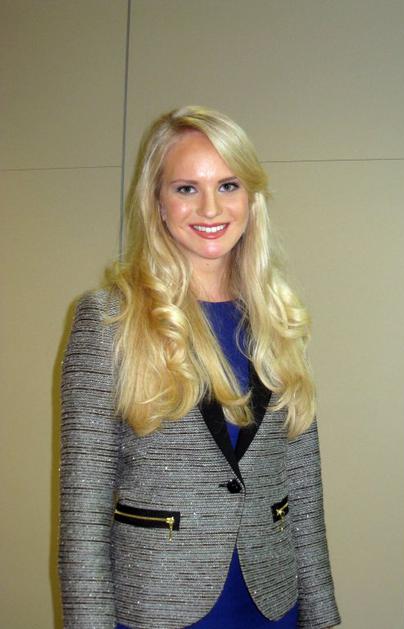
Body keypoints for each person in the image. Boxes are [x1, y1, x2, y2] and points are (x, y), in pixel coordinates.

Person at [59, 105, 341, 629]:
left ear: (251, 198)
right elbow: (83, 508)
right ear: (157, 202)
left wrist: (320, 614)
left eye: (228, 185)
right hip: (159, 605)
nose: (210, 207)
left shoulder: (277, 317)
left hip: (273, 602)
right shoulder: (110, 318)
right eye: (186, 188)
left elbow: (302, 482)